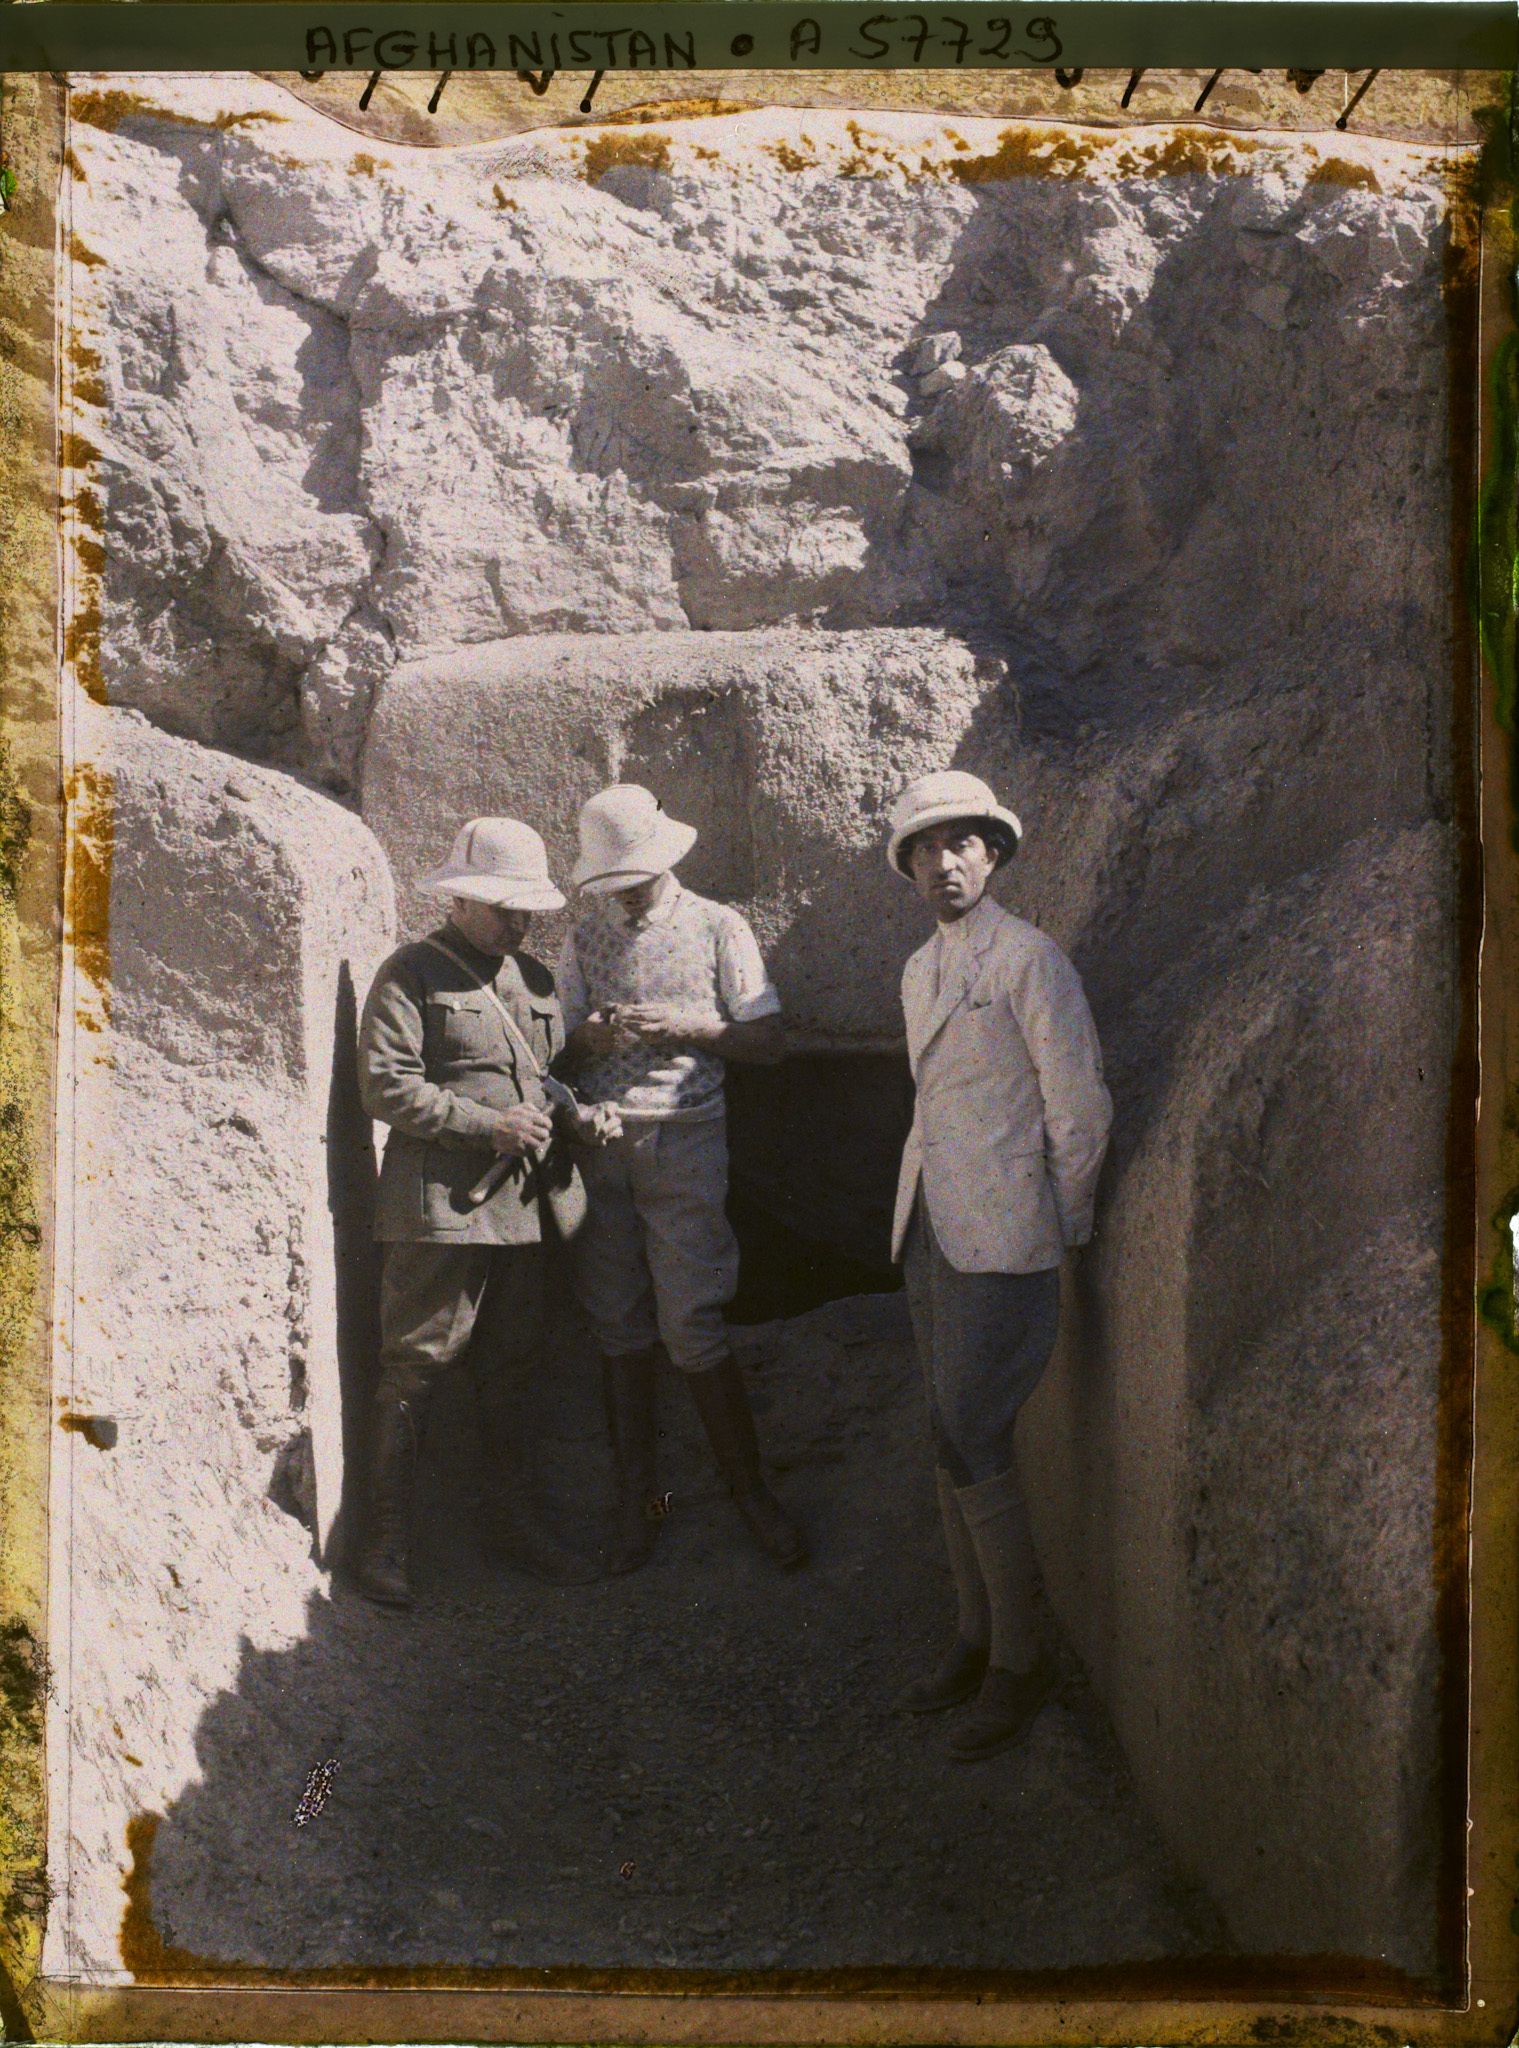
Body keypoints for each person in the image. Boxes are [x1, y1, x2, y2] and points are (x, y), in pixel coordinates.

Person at [885, 769, 1112, 1759]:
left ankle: (1020, 1664)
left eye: (961, 843)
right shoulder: (918, 970)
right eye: (925, 848)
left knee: (975, 1432)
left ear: (994, 852)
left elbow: (1079, 1105)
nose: (944, 863)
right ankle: (974, 1636)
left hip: (1006, 1235)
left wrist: (1058, 1226)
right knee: (945, 1428)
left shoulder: (1030, 959)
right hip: (931, 1224)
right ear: (910, 868)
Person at [353, 817, 618, 1610]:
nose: (517, 922)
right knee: (415, 1369)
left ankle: (511, 1527)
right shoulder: (409, 974)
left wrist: (578, 1115)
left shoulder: (535, 982)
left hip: (524, 1210)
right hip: (440, 1207)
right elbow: (386, 1087)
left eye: (525, 909)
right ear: (460, 899)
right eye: (501, 907)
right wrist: (484, 1126)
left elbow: (541, 1083)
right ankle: (384, 1541)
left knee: (515, 1369)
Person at [556, 783, 806, 1574]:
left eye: (633, 877)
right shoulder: (583, 935)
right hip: (599, 1145)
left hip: (686, 1138)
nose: (624, 894)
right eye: (613, 882)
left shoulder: (716, 925)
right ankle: (643, 1507)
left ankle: (749, 1497)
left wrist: (688, 1027)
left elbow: (767, 1042)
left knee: (692, 1323)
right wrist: (587, 1040)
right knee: (617, 1325)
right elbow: (552, 1049)